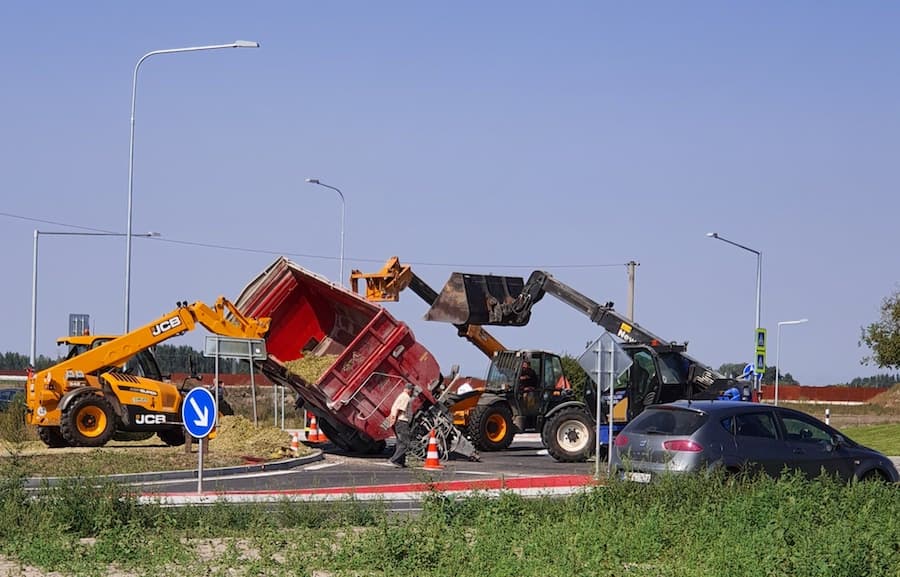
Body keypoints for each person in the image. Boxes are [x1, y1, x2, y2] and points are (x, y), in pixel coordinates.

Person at [388, 382, 415, 468]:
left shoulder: (401, 396)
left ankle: (400, 462)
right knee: (406, 443)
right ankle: (394, 459)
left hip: (399, 422)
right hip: (402, 422)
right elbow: (400, 409)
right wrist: (395, 419)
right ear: (410, 390)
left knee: (400, 442)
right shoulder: (406, 397)